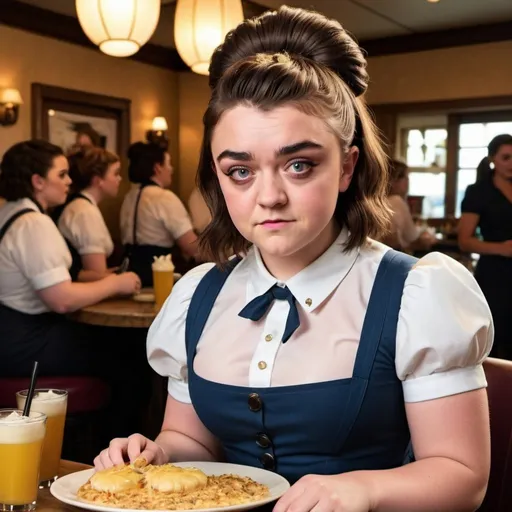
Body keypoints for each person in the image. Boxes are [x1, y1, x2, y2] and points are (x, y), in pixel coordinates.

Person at [95, 7, 493, 511]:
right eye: (240, 171)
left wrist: (363, 488)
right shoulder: (198, 296)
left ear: (347, 166)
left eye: (298, 165)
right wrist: (154, 453)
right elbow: (193, 442)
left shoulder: (416, 295)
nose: (269, 197)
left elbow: (462, 478)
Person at [0, 139, 141, 377]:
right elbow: (61, 300)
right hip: (26, 345)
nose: (70, 181)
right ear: (38, 181)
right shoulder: (33, 223)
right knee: (128, 349)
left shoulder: (8, 211)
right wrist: (116, 283)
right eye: (62, 174)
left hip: (9, 338)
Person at [459, 133, 512, 360]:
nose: (511, 163)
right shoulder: (479, 192)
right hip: (495, 275)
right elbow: (464, 241)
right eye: (506, 157)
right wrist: (502, 248)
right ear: (492, 159)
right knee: (498, 340)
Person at [120, 142, 199, 286]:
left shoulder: (129, 197)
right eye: (169, 164)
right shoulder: (164, 198)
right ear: (158, 168)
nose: (172, 169)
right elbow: (191, 246)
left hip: (129, 274)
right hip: (157, 273)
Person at [53, 148, 121, 282]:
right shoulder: (84, 212)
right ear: (98, 180)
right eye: (116, 173)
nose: (120, 178)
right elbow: (96, 275)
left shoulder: (82, 206)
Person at [384, 160, 436, 251]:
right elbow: (412, 237)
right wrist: (428, 237)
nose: (408, 182)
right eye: (406, 178)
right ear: (395, 180)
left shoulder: (376, 201)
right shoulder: (396, 201)